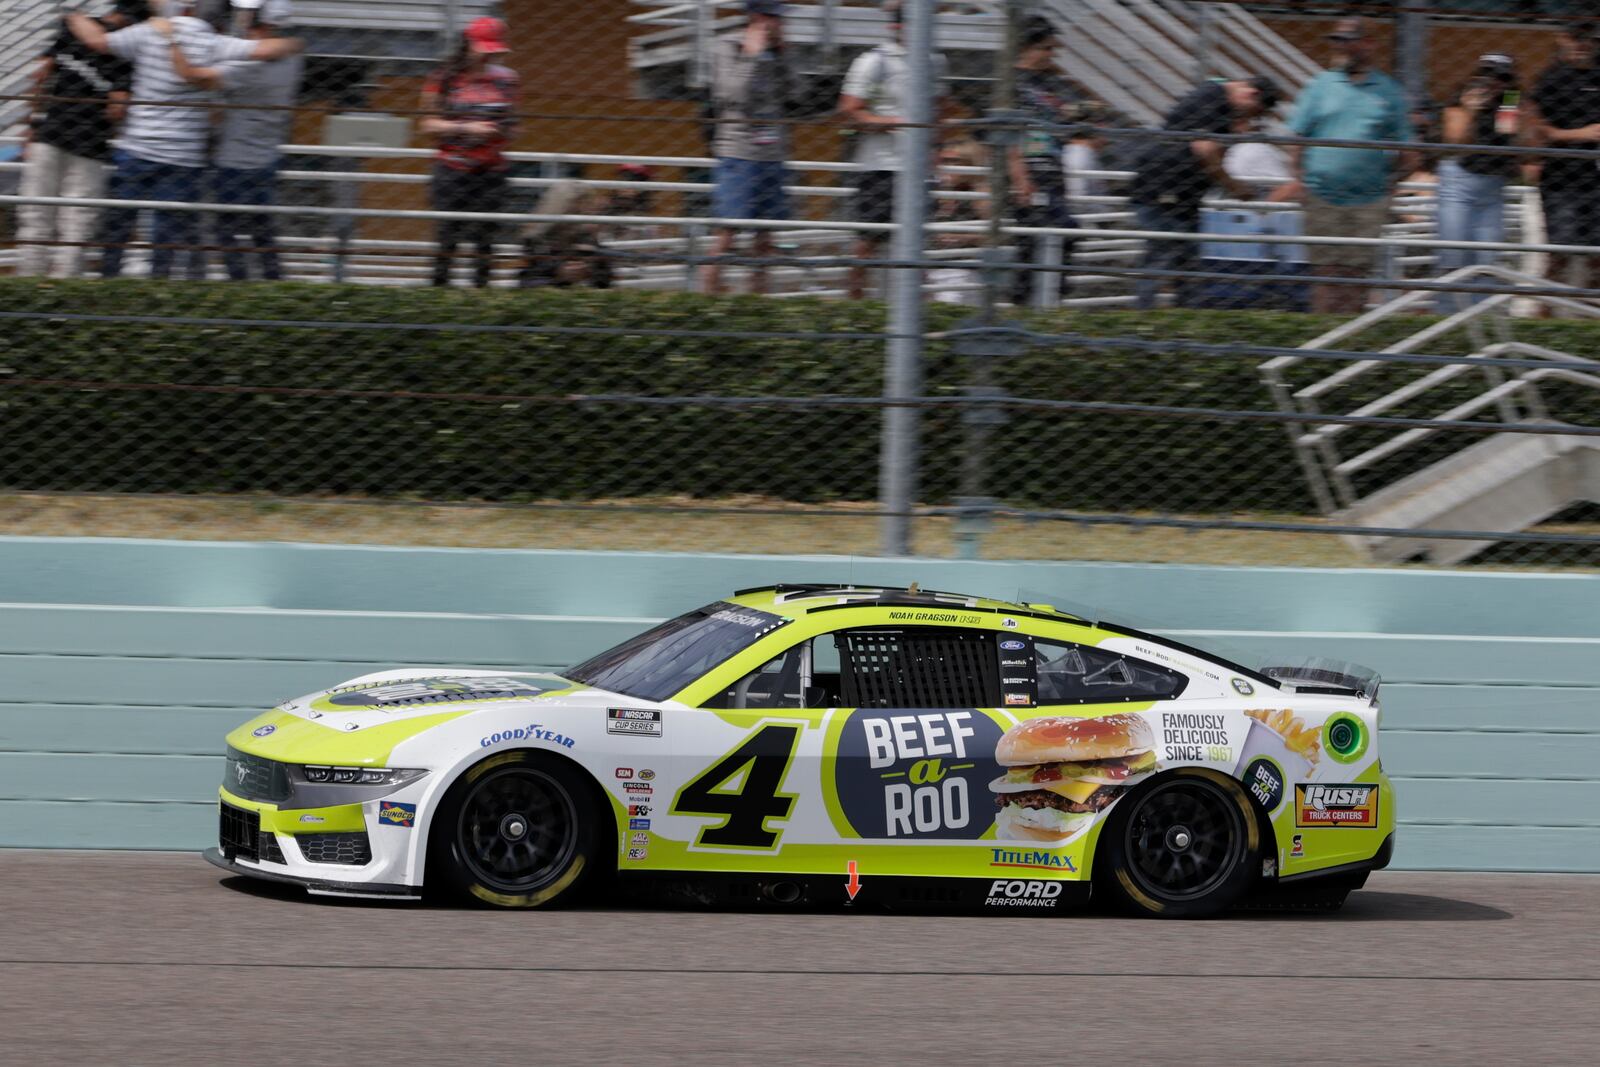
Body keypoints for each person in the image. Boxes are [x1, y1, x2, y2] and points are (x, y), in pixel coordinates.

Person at [65, 2, 302, 280]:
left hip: (138, 146)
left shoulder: (150, 32)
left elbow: (97, 41)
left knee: (118, 227)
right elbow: (265, 49)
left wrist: (70, 13)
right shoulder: (215, 43)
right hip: (183, 156)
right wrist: (294, 42)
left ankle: (108, 284)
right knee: (167, 236)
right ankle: (160, 291)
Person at [1284, 16, 1415, 314]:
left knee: (1356, 275)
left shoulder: (1388, 91)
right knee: (1326, 273)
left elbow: (1409, 151)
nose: (1340, 47)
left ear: (1368, 44)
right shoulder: (1320, 85)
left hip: (1368, 200)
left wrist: (1389, 186)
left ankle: (1348, 336)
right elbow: (1298, 136)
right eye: (1337, 41)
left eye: (1348, 40)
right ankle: (1321, 339)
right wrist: (1299, 179)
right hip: (1321, 195)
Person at [165, 0, 303, 281]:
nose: (243, 20)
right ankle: (272, 282)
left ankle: (239, 284)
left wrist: (173, 40)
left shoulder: (252, 66)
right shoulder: (291, 58)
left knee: (226, 229)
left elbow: (195, 76)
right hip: (266, 157)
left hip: (236, 162)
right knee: (261, 229)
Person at [17, 0, 145, 278]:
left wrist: (32, 123)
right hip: (89, 144)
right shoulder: (126, 53)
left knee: (36, 214)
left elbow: (41, 75)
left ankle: (27, 285)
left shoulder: (73, 27)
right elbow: (118, 109)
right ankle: (63, 289)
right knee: (76, 224)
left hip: (50, 133)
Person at [1128, 76, 1280, 310]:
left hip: (1178, 193)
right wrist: (1234, 186)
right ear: (1251, 94)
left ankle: (1177, 315)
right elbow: (1205, 149)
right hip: (1165, 189)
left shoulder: (1216, 100)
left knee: (1184, 259)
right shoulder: (1213, 99)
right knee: (1163, 256)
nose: (1250, 119)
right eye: (1254, 113)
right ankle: (1143, 317)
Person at [836, 0, 949, 300]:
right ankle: (854, 307)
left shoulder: (935, 62)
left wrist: (936, 152)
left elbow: (938, 113)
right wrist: (892, 122)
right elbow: (849, 111)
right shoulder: (875, 61)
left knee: (917, 240)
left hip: (918, 168)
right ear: (896, 26)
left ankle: (916, 308)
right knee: (867, 242)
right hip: (880, 165)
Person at [702, 0, 799, 295]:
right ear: (758, 18)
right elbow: (730, 95)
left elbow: (795, 94)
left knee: (765, 237)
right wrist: (752, 55)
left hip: (773, 152)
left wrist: (782, 56)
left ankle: (758, 300)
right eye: (776, 18)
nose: (781, 24)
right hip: (739, 152)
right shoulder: (727, 45)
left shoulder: (779, 50)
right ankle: (707, 297)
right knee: (728, 231)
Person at [418, 17, 520, 288]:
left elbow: (513, 124)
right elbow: (428, 124)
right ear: (467, 44)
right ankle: (439, 292)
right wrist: (466, 128)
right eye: (484, 49)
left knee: (485, 243)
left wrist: (499, 131)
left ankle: (481, 296)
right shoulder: (444, 78)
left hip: (491, 171)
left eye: (494, 51)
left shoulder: (507, 80)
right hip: (452, 169)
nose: (489, 56)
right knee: (446, 239)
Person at [1437, 56, 1524, 307]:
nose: (1494, 82)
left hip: (1492, 187)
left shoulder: (1509, 102)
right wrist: (1471, 110)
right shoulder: (1461, 100)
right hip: (1459, 182)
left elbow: (1512, 138)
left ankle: (1482, 317)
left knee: (1487, 260)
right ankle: (1445, 316)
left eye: (1502, 77)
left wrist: (1515, 103)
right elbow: (1455, 143)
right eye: (1488, 75)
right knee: (1452, 256)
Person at [1008, 16, 1082, 305]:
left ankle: (1048, 298)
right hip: (1029, 169)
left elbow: (1061, 119)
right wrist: (1020, 177)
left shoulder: (1049, 83)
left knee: (1053, 236)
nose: (1052, 54)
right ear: (1028, 47)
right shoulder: (1011, 82)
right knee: (1054, 231)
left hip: (1053, 167)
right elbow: (1005, 137)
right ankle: (1028, 300)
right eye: (1047, 48)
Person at [1530, 19, 1600, 296]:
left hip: (1595, 179)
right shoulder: (1551, 78)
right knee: (1559, 251)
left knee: (1597, 255)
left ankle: (1591, 312)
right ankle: (1545, 311)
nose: (1583, 45)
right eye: (1576, 38)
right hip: (1561, 180)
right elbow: (1534, 129)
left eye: (1590, 40)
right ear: (1563, 39)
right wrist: (1578, 134)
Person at [519, 180, 614, 289]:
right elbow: (527, 282)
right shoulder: (536, 239)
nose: (583, 209)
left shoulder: (586, 235)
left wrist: (589, 270)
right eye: (576, 204)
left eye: (585, 203)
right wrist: (559, 276)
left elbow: (604, 281)